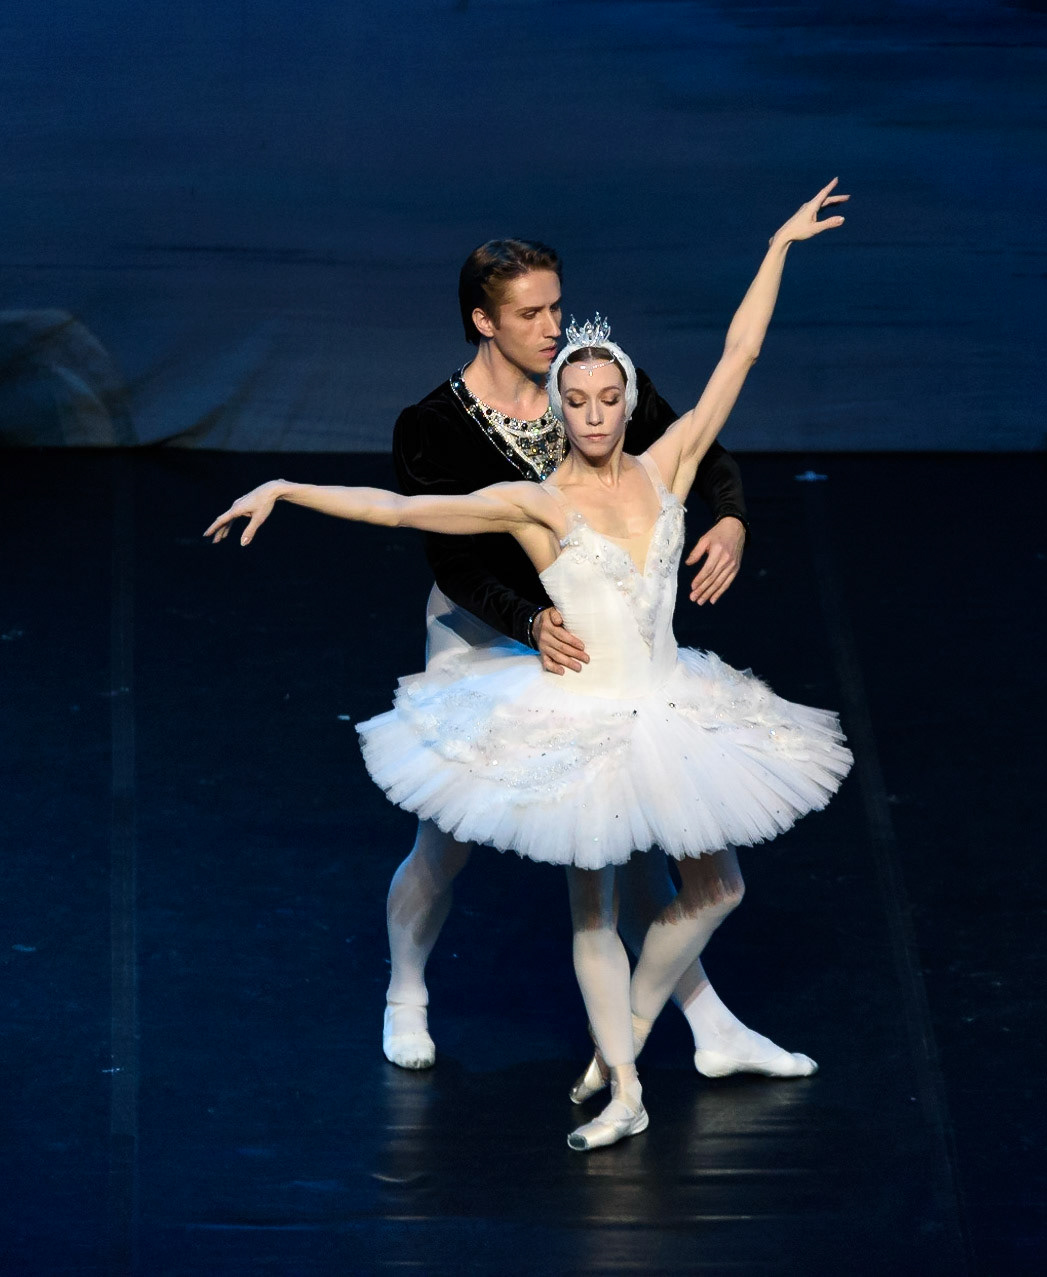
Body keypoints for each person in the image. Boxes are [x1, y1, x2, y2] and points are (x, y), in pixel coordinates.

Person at [207, 180, 853, 1151]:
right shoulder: (506, 475)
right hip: (523, 662)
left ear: (620, 401)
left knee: (700, 880)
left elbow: (736, 359)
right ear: (485, 321)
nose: (559, 342)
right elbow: (411, 519)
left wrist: (775, 246)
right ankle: (438, 999)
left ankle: (644, 1042)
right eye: (533, 314)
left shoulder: (652, 448)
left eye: (606, 395)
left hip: (656, 691)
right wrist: (285, 483)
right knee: (482, 853)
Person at [383, 237, 816, 1089]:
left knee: (644, 829)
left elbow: (698, 447)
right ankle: (404, 989)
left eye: (555, 305)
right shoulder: (433, 425)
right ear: (483, 319)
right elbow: (453, 560)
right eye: (530, 313)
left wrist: (728, 518)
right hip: (486, 635)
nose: (552, 326)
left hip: (600, 638)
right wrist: (530, 618)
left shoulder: (591, 378)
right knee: (447, 837)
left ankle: (708, 1025)